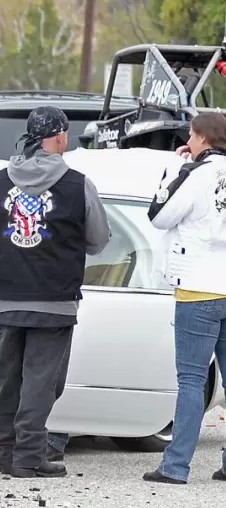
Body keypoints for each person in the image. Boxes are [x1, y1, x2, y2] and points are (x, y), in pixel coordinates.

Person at [0, 106, 110, 478]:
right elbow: (98, 241)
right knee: (41, 381)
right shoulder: (77, 183)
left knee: (8, 379)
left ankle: (6, 453)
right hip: (55, 300)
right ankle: (30, 457)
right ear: (61, 137)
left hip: (5, 297)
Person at [142, 112, 226, 485]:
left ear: (204, 140)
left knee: (192, 381)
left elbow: (159, 215)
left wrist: (175, 170)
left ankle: (176, 466)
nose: (188, 142)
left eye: (192, 136)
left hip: (198, 286)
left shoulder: (196, 175)